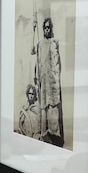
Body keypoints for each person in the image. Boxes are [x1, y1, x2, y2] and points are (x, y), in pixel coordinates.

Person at [37, 17, 64, 147]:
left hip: (52, 82)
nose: (47, 30)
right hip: (43, 81)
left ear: (51, 29)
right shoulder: (40, 45)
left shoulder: (54, 43)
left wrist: (55, 79)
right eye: (45, 28)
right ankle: (44, 134)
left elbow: (57, 64)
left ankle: (55, 135)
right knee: (44, 107)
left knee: (53, 107)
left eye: (49, 27)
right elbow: (38, 63)